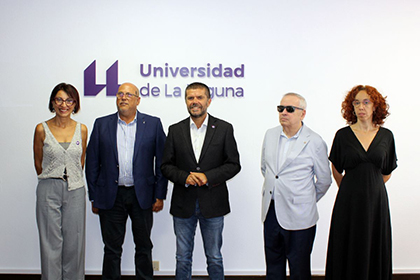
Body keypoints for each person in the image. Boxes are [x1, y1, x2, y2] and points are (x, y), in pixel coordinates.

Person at [85, 82, 167, 280]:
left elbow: (163, 162)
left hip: (143, 195)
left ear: (138, 100)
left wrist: (159, 195)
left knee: (144, 246)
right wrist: (94, 195)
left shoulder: (153, 124)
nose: (123, 97)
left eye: (129, 94)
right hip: (110, 196)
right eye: (120, 93)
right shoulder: (101, 124)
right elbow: (92, 162)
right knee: (112, 249)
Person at [161, 82, 241, 280]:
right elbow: (165, 166)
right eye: (190, 98)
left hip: (213, 203)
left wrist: (208, 177)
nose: (194, 102)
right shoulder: (175, 130)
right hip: (183, 203)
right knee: (182, 257)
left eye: (199, 97)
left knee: (214, 257)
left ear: (209, 101)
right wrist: (185, 177)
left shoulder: (223, 128)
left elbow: (233, 164)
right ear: (186, 101)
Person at [325, 85, 397, 280]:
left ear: (376, 106)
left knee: (375, 245)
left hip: (377, 203)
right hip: (348, 202)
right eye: (356, 102)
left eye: (366, 102)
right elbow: (336, 168)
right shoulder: (342, 135)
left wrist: (371, 187)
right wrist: (350, 189)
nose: (361, 107)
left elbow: (387, 172)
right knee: (348, 244)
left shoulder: (386, 136)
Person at [261, 93, 332, 280]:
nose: (283, 112)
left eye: (289, 109)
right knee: (273, 266)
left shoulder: (315, 141)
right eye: (280, 108)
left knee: (299, 268)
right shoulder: (270, 134)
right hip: (271, 211)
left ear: (303, 114)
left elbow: (324, 180)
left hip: (300, 216)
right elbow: (266, 169)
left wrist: (306, 199)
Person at [33, 83, 88, 279]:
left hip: (75, 189)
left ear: (75, 104)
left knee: (75, 241)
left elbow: (80, 162)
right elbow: (38, 163)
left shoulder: (82, 130)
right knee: (50, 242)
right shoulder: (42, 129)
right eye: (59, 99)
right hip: (49, 188)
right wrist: (54, 176)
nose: (63, 104)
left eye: (69, 100)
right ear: (52, 102)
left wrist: (70, 176)